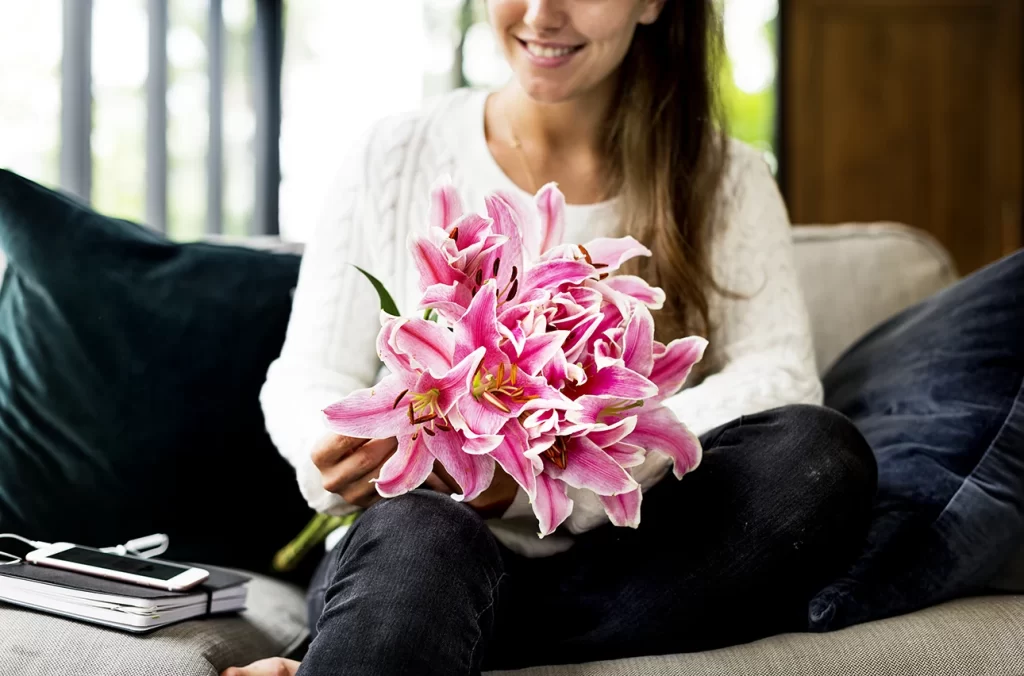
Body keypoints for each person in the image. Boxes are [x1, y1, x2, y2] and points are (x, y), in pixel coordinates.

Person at [225, 1, 877, 674]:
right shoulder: (391, 156)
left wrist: (553, 468)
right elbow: (309, 376)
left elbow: (780, 376)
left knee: (819, 457)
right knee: (425, 539)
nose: (542, 14)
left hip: (620, 559)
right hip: (431, 540)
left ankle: (407, 641)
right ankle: (422, 619)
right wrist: (336, 455)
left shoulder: (728, 177)